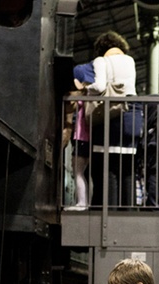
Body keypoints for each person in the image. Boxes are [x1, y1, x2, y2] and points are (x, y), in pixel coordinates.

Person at [86, 30, 139, 207]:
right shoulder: (130, 60)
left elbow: (100, 86)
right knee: (128, 172)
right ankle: (129, 217)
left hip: (112, 118)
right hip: (133, 117)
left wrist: (87, 90)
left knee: (108, 171)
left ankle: (111, 217)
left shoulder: (102, 61)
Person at [63, 61, 95, 208]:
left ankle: (82, 203)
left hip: (81, 137)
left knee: (77, 170)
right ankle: (85, 202)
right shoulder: (92, 97)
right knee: (84, 172)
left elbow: (71, 104)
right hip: (91, 138)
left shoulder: (80, 98)